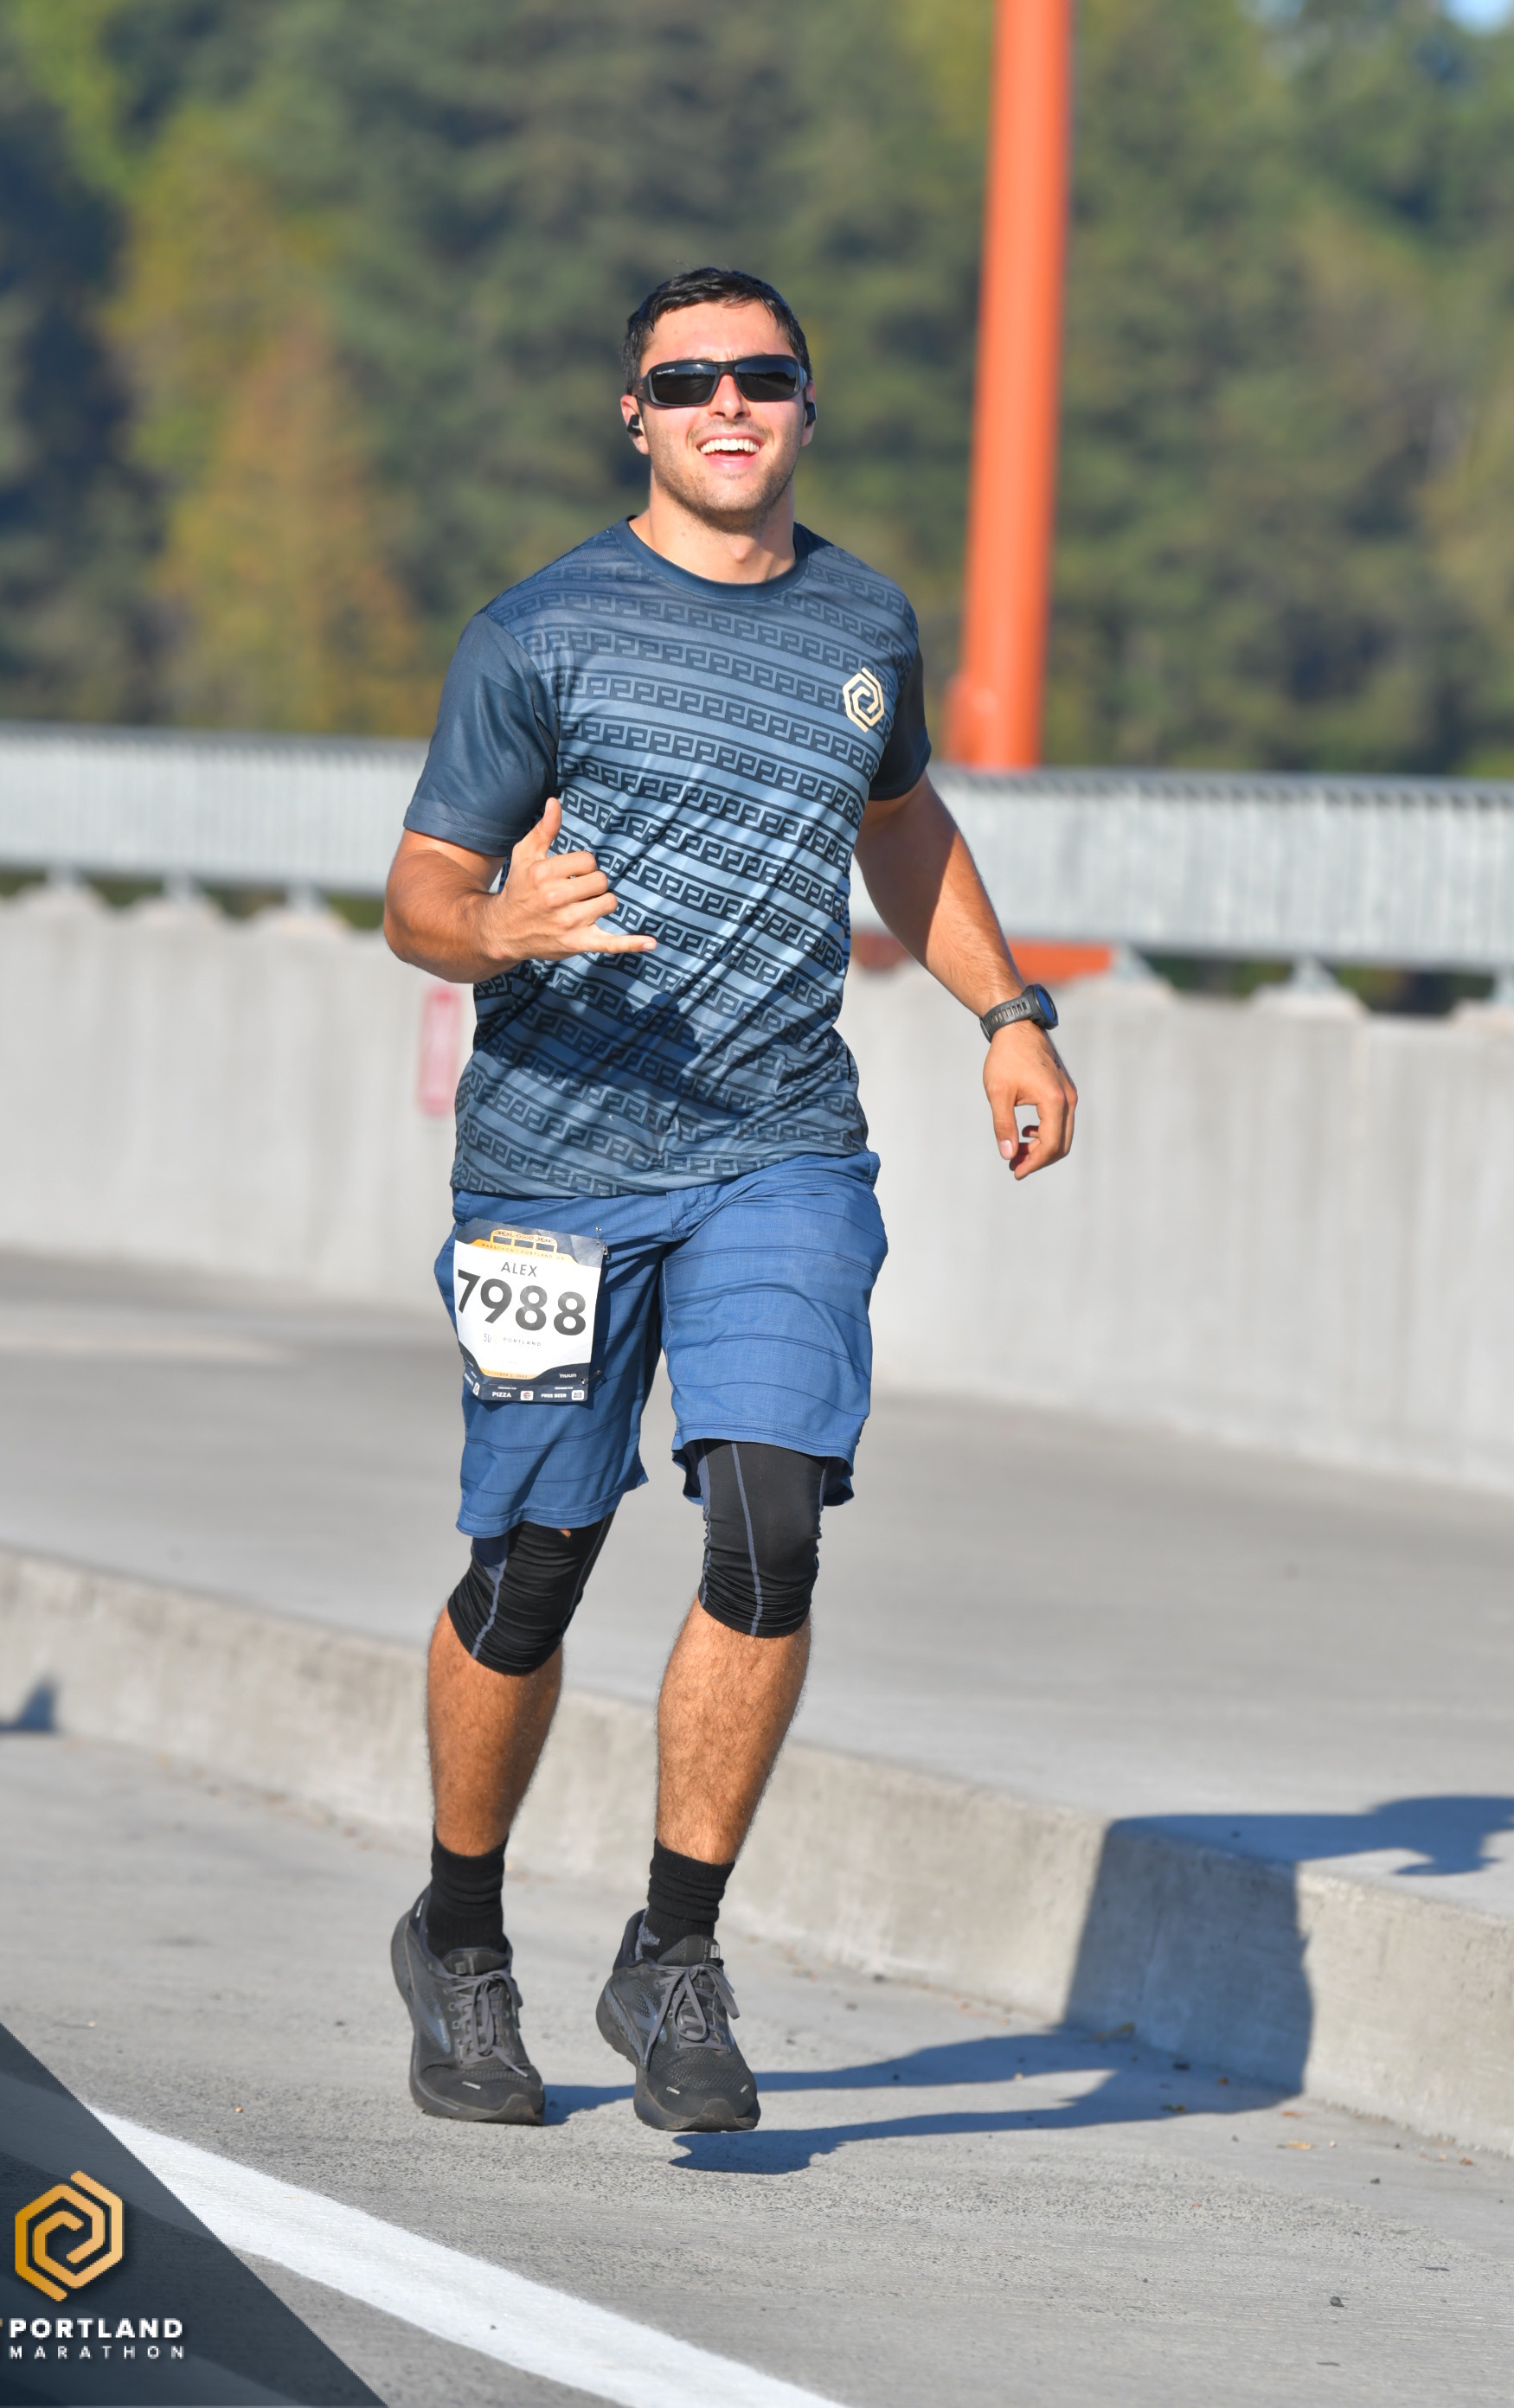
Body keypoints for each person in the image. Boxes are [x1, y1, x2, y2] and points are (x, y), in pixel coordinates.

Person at [383, 265, 1075, 2134]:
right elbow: (420, 893)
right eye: (685, 381)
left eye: (759, 375)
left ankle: (671, 1951)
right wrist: (497, 925)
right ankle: (459, 1935)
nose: (726, 405)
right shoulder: (538, 633)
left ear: (804, 402)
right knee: (533, 1566)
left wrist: (1008, 1015)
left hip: (779, 1147)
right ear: (636, 416)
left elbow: (901, 821)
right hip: (551, 1171)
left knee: (769, 1527)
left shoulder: (863, 618)